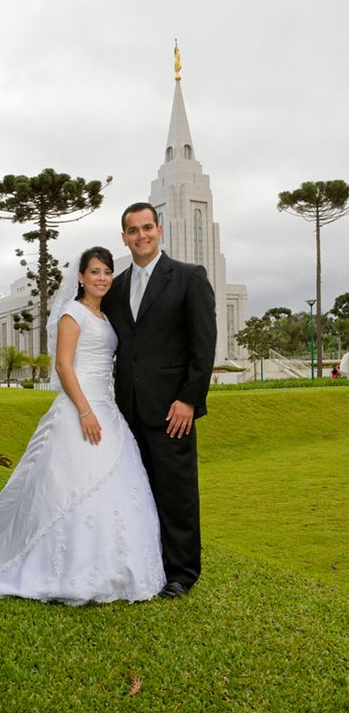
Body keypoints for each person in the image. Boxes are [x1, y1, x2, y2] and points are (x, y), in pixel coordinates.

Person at [0, 246, 165, 604]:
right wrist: (84, 410)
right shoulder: (72, 313)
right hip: (80, 408)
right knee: (70, 483)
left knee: (117, 483)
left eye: (107, 272)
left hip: (108, 408)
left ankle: (118, 568)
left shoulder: (105, 317)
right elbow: (65, 366)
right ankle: (54, 566)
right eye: (94, 271)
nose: (102, 278)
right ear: (81, 277)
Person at [102, 203, 217, 598]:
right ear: (124, 237)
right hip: (127, 410)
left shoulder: (188, 278)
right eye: (132, 230)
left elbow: (203, 347)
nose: (141, 236)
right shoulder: (114, 288)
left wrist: (189, 399)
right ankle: (147, 565)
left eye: (147, 227)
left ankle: (182, 574)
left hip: (172, 410)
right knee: (138, 490)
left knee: (176, 492)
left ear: (160, 230)